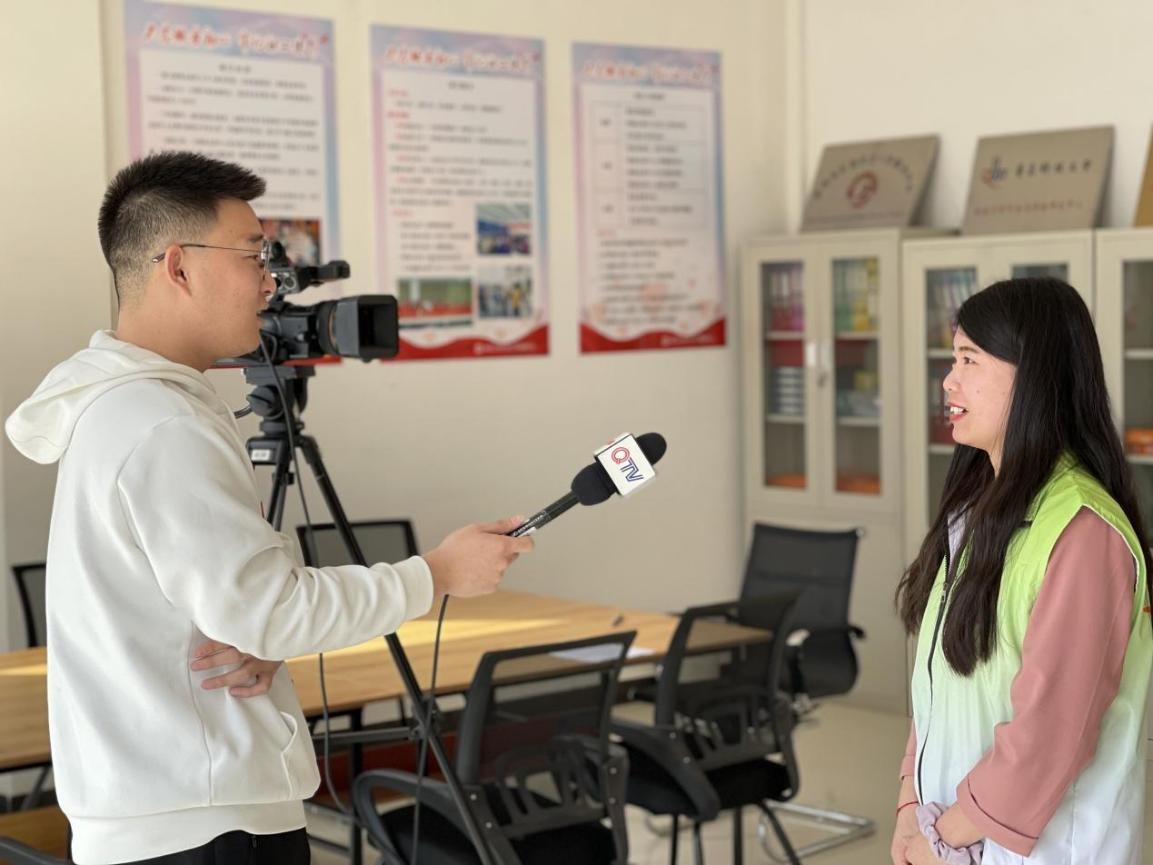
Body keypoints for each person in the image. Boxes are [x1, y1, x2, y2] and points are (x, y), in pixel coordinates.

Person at [3, 151, 534, 865]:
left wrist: (259, 626)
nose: (269, 281)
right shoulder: (163, 424)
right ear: (178, 267)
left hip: (164, 807)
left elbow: (237, 611)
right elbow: (272, 611)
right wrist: (436, 574)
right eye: (253, 255)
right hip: (207, 823)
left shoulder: (118, 409)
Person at [891, 277, 1153, 865]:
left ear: (1034, 375)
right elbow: (940, 683)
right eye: (952, 358)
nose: (948, 380)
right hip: (951, 834)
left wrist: (942, 837)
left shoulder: (1084, 531)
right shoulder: (974, 510)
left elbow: (1051, 733)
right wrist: (911, 803)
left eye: (969, 359)